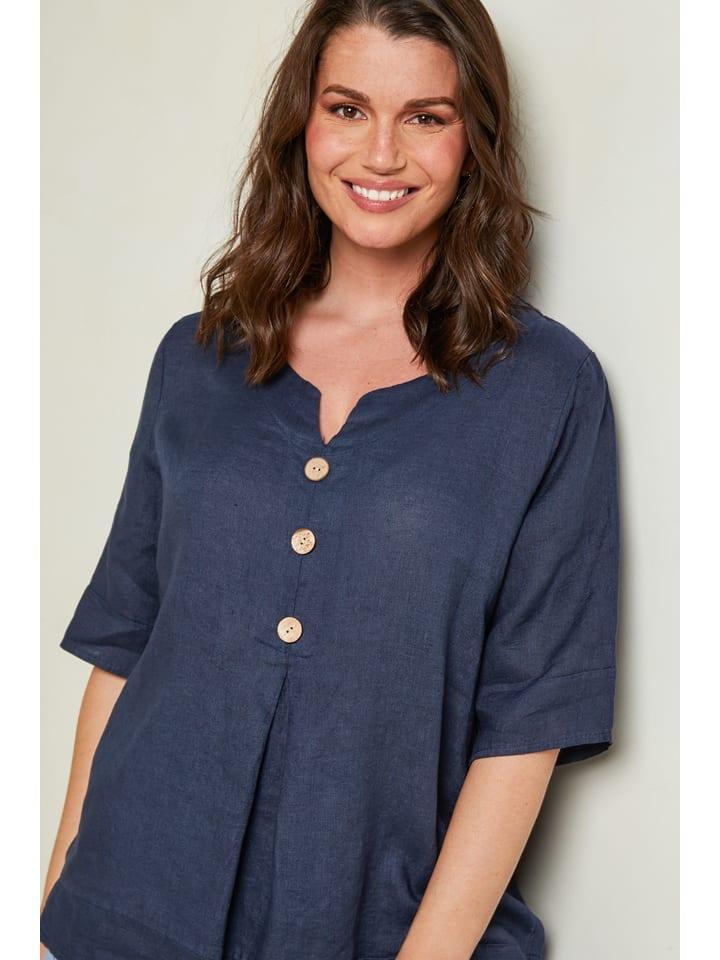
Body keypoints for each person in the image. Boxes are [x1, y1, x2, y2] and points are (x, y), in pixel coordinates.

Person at [40, 2, 620, 959]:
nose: (380, 153)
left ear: (473, 140)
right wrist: (61, 885)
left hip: (366, 928)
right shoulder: (198, 357)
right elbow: (125, 642)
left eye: (425, 117)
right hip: (123, 913)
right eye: (348, 109)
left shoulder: (547, 390)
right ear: (301, 123)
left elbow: (529, 720)